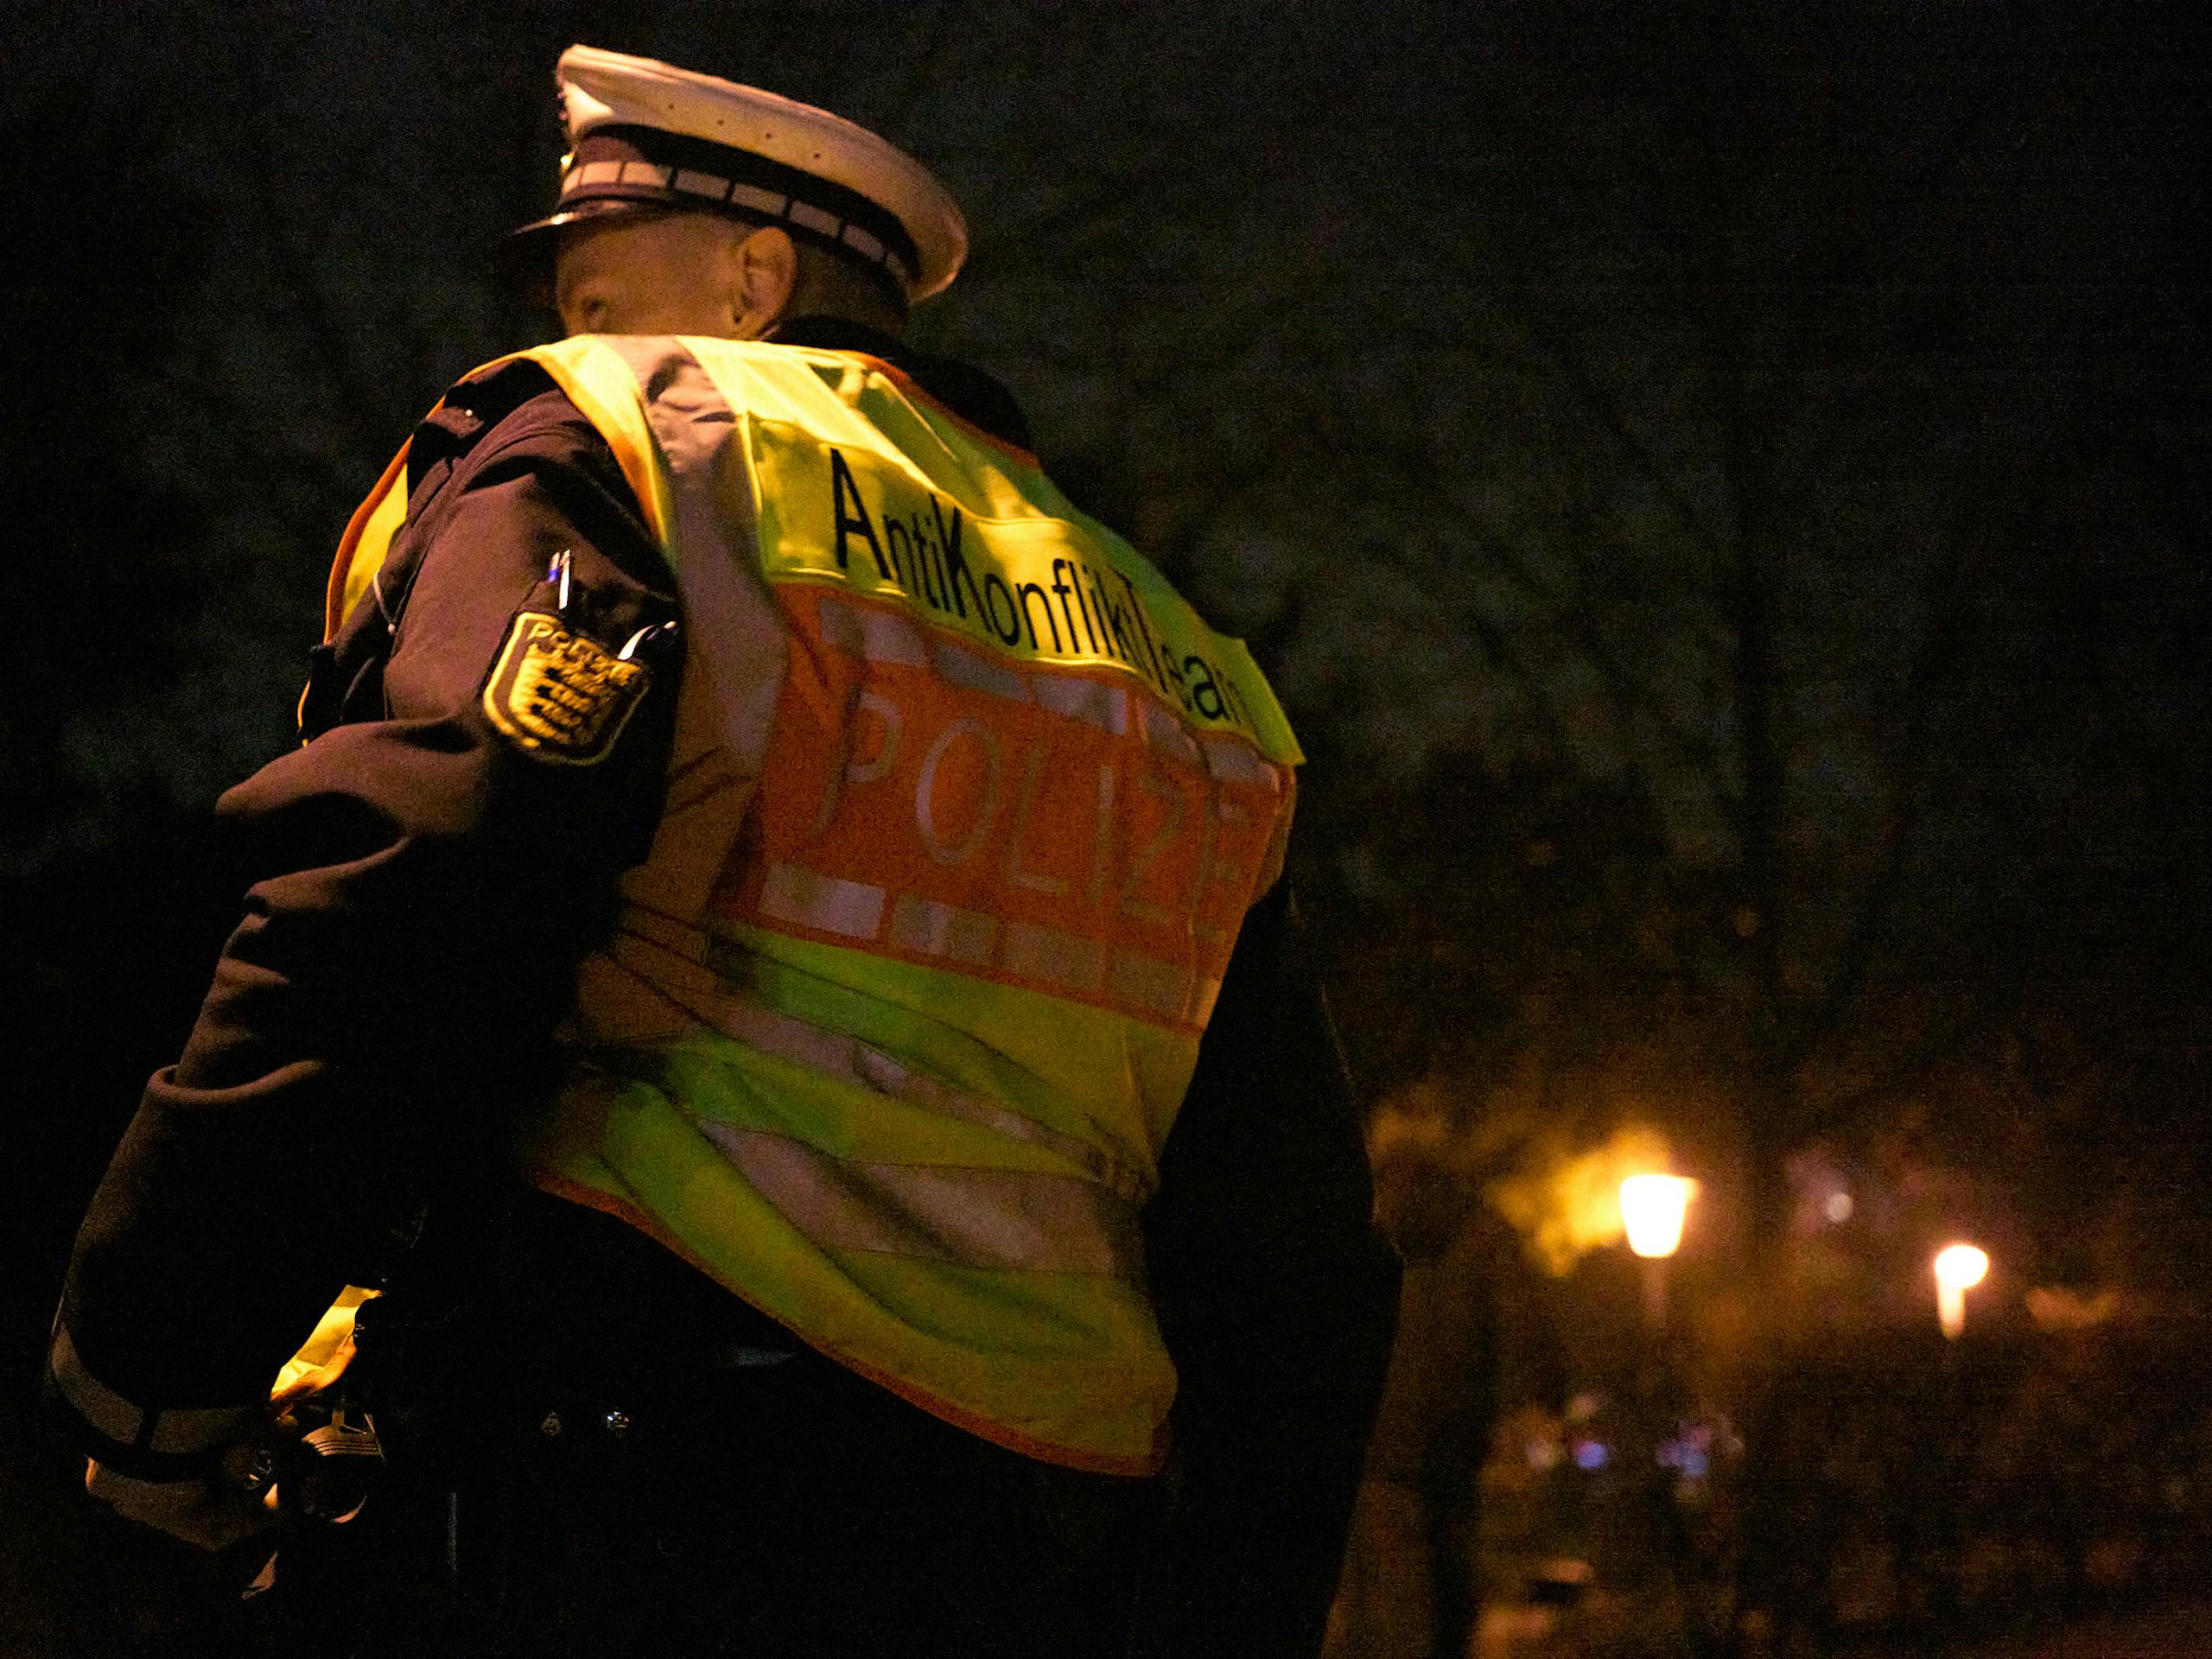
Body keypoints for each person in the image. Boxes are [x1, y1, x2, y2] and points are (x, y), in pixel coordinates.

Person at [45, 45, 1397, 1658]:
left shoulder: (639, 442)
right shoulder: (1166, 651)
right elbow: (1293, 1242)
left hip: (626, 1484)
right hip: (1039, 1542)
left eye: (598, 296)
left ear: (757, 281)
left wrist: (156, 1367)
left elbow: (421, 888)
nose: (574, 335)